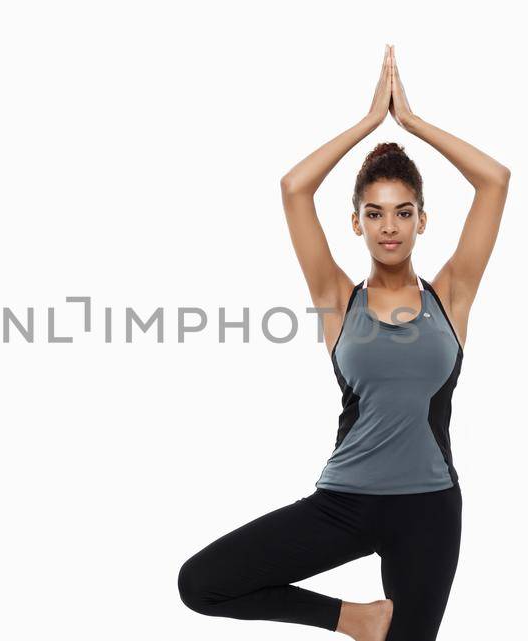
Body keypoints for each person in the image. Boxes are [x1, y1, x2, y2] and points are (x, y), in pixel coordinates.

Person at [176, 44, 511, 641]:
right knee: (202, 583)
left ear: (421, 221)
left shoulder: (452, 295)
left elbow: (495, 181)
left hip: (430, 511)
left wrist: (409, 122)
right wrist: (366, 124)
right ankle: (357, 620)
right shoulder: (337, 298)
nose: (389, 226)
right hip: (343, 503)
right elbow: (294, 188)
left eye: (403, 213)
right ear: (356, 222)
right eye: (375, 213)